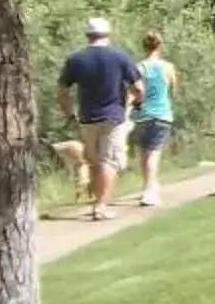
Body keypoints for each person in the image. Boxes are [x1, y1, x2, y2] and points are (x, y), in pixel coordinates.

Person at [55, 16, 143, 222]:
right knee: (109, 161)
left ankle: (97, 203)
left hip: (87, 118)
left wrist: (69, 113)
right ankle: (101, 206)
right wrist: (136, 103)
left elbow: (61, 91)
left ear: (87, 36)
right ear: (108, 35)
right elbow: (138, 88)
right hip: (113, 117)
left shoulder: (76, 59)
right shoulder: (120, 57)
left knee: (94, 162)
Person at [132, 30, 181, 210]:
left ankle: (149, 184)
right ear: (159, 46)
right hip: (161, 113)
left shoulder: (139, 67)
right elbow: (173, 91)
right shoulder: (167, 67)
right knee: (153, 153)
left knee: (144, 152)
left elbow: (134, 91)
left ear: (144, 46)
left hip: (141, 115)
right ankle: (149, 189)